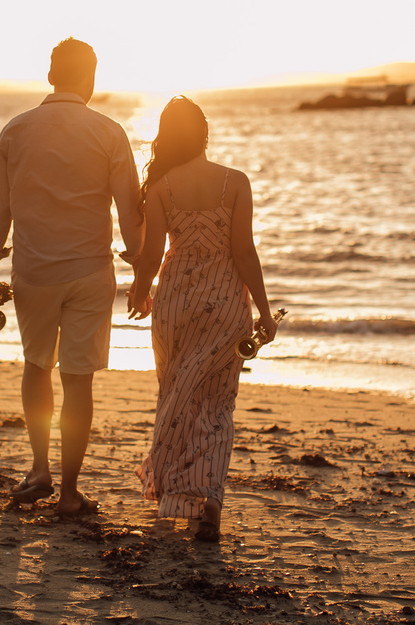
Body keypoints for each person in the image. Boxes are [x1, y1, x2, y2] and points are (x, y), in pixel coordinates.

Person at [0, 37, 142, 516]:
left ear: (51, 76)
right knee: (78, 380)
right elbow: (130, 211)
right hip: (91, 271)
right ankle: (70, 491)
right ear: (91, 79)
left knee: (36, 366)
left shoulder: (15, 131)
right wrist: (143, 266)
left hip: (34, 271)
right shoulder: (109, 132)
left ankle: (39, 468)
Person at [128, 95, 277, 542]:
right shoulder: (235, 183)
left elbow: (152, 255)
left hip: (175, 305)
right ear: (205, 134)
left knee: (176, 396)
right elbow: (243, 252)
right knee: (216, 405)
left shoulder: (161, 188)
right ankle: (209, 499)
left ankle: (175, 494)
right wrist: (265, 311)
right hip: (225, 304)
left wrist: (139, 290)